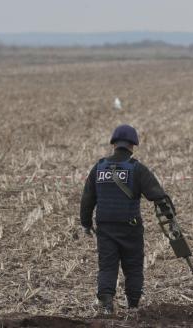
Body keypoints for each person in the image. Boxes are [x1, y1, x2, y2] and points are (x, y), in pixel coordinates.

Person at [80, 124, 175, 314]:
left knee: (107, 266)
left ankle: (106, 301)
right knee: (133, 266)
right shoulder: (137, 169)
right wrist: (171, 216)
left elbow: (87, 198)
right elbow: (158, 196)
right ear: (133, 145)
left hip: (105, 228)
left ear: (114, 144)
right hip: (130, 228)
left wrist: (86, 223)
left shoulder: (99, 168)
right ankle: (133, 305)